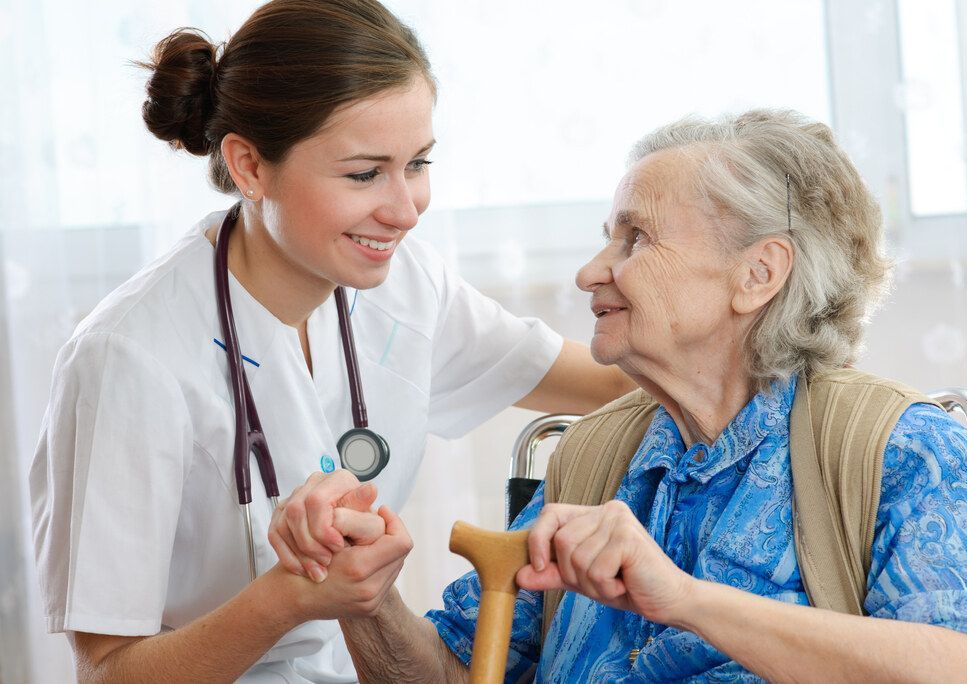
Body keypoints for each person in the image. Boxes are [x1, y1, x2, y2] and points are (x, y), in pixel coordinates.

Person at [272, 109, 967, 681]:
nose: (593, 271)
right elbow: (460, 676)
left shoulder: (903, 450)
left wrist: (684, 599)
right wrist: (363, 598)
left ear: (758, 275)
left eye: (636, 239)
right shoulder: (590, 462)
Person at [27, 1, 633, 681]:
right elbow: (107, 673)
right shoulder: (129, 359)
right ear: (250, 167)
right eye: (364, 173)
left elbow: (619, 380)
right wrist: (287, 598)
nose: (404, 211)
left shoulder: (406, 289)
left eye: (418, 163)